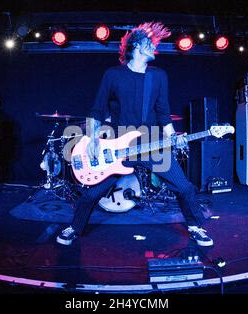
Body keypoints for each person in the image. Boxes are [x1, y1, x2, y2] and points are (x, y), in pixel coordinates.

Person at [56, 22, 213, 247]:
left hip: (151, 143)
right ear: (137, 46)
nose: (155, 48)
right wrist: (91, 139)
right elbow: (97, 109)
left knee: (185, 187)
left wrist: (173, 137)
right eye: (151, 43)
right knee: (92, 194)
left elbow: (163, 111)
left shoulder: (159, 76)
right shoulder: (113, 75)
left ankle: (195, 227)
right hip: (119, 145)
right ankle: (74, 227)